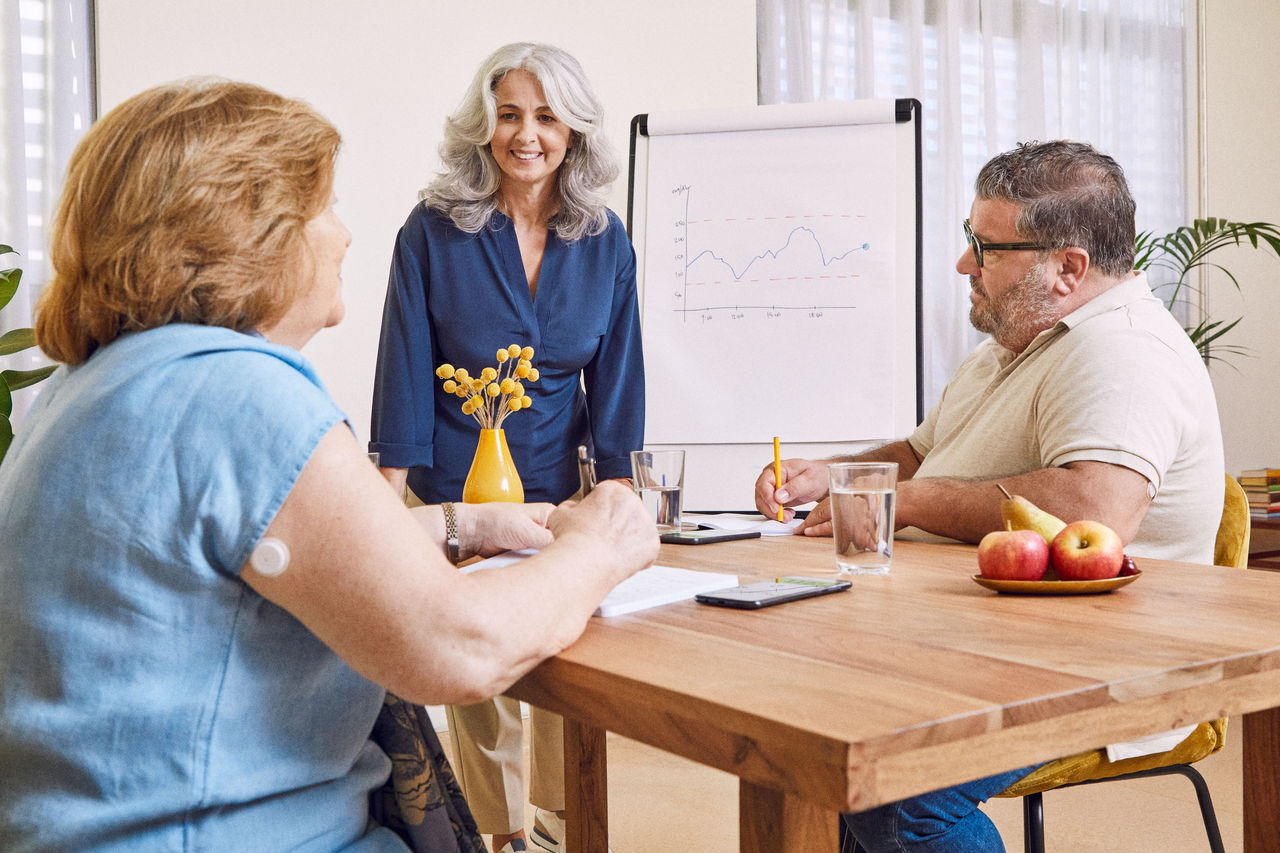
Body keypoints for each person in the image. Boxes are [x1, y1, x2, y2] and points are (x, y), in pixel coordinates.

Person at [0, 78, 657, 853]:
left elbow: (254, 554)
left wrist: (460, 522)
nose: (344, 236)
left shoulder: (94, 387)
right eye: (326, 207)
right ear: (251, 230)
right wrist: (600, 545)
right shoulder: (240, 394)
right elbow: (465, 646)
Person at [755, 140, 1224, 851]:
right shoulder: (1014, 340)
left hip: (1100, 669)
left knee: (902, 788)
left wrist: (906, 503)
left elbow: (1094, 511)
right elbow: (916, 454)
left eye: (985, 246)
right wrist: (837, 473)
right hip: (973, 640)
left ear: (1067, 268)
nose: (963, 264)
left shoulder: (1124, 352)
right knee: (820, 733)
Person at [369, 43, 642, 853]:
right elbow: (403, 369)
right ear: (484, 127)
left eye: (547, 117)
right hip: (453, 493)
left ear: (574, 131)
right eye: (511, 115)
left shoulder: (604, 239)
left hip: (559, 497)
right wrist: (386, 507)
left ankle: (566, 827)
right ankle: (500, 836)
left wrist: (621, 498)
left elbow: (618, 376)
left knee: (562, 671)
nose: (528, 135)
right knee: (480, 679)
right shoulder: (432, 231)